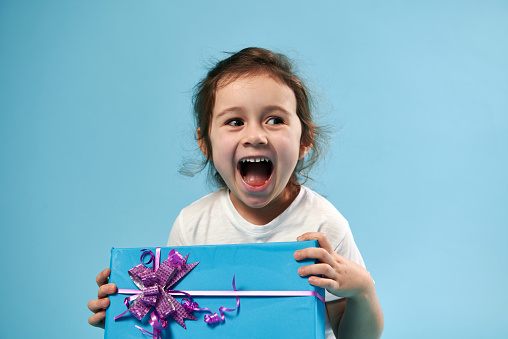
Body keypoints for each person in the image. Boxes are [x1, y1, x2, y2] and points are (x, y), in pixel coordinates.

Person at [87, 47, 384, 339]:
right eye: (235, 122)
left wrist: (362, 291)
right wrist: (127, 313)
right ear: (206, 143)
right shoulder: (192, 225)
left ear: (305, 139)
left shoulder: (325, 226)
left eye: (275, 120)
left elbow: (357, 336)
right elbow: (177, 317)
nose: (255, 136)